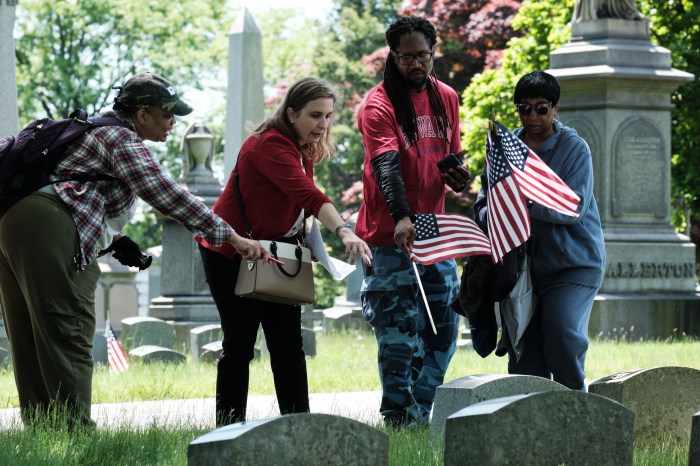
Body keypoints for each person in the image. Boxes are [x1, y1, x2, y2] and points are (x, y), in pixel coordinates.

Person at [0, 71, 271, 429]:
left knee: (31, 333)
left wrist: (114, 239)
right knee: (69, 329)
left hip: (13, 223)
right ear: (142, 114)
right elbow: (165, 193)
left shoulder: (95, 131)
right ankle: (72, 433)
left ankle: (43, 429)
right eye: (167, 113)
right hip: (48, 224)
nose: (173, 122)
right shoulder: (120, 137)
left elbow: (79, 188)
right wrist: (233, 237)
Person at [197, 77, 372, 427]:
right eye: (314, 116)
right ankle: (229, 433)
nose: (322, 125)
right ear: (291, 113)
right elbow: (309, 195)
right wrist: (343, 230)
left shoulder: (301, 149)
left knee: (288, 344)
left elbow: (301, 205)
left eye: (328, 117)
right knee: (240, 344)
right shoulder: (269, 145)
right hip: (232, 252)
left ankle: (299, 429)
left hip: (276, 253)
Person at [354, 15, 471, 427]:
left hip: (434, 232)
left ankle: (419, 412)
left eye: (423, 55)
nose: (416, 64)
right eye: (407, 57)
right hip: (389, 235)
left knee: (443, 329)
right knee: (398, 333)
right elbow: (385, 164)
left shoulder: (446, 97)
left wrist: (459, 174)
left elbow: (448, 157)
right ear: (394, 56)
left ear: (433, 52)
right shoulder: (379, 105)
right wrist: (402, 217)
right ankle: (398, 418)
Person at [473, 70, 605, 390]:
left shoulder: (574, 148)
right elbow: (483, 203)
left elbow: (572, 206)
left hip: (573, 265)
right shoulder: (505, 147)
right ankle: (530, 429)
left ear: (555, 107)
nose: (532, 115)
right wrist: (494, 212)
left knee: (561, 335)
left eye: (541, 108)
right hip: (522, 269)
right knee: (524, 358)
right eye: (524, 108)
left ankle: (577, 411)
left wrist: (520, 206)